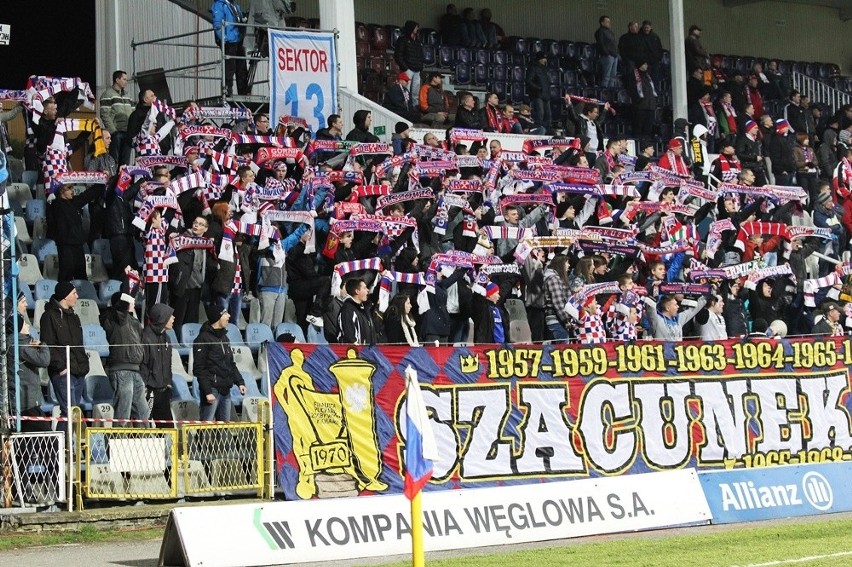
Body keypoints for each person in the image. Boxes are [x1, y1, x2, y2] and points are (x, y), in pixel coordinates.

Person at [39, 281, 89, 424]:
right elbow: (48, 345)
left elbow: (79, 345)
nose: (77, 296)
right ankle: (61, 446)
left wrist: (84, 365)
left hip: (78, 371)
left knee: (73, 413)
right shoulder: (48, 316)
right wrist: (61, 368)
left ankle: (66, 445)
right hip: (63, 372)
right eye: (74, 293)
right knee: (69, 411)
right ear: (65, 296)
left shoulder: (74, 317)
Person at [100, 291, 147, 425]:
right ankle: (117, 442)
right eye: (130, 302)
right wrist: (130, 284)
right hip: (121, 370)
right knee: (123, 411)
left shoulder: (134, 322)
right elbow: (121, 308)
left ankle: (145, 442)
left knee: (143, 411)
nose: (133, 304)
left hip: (135, 370)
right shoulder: (115, 319)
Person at [194, 305, 245, 421]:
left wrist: (240, 382)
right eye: (225, 314)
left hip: (225, 389)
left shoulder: (224, 338)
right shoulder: (202, 339)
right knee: (206, 426)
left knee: (224, 428)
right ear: (218, 317)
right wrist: (207, 392)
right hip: (212, 389)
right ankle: (203, 440)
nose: (229, 316)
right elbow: (199, 369)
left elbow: (231, 364)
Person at [48, 183, 105, 281]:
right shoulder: (55, 204)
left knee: (81, 276)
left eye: (72, 187)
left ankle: (83, 295)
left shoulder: (74, 202)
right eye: (69, 188)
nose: (72, 190)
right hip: (65, 246)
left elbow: (88, 195)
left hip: (78, 245)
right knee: (65, 276)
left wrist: (101, 182)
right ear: (61, 190)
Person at [6, 310, 51, 432]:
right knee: (45, 436)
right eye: (25, 324)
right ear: (18, 328)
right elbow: (44, 360)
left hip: (29, 400)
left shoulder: (22, 342)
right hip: (25, 402)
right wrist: (42, 345)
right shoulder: (20, 346)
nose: (28, 326)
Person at [168, 216, 215, 329]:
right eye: (195, 222)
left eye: (200, 224)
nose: (196, 225)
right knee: (177, 321)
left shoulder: (206, 244)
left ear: (205, 229)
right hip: (182, 287)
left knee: (192, 322)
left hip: (197, 288)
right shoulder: (182, 239)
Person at [141, 303, 175, 423]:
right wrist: (146, 387)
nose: (173, 318)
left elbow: (168, 364)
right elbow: (142, 365)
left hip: (164, 391)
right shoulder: (146, 338)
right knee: (146, 427)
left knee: (168, 430)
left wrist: (169, 384)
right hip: (150, 392)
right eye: (170, 316)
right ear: (162, 318)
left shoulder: (167, 338)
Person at [212, 0, 249, 96]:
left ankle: (243, 92)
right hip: (229, 41)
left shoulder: (235, 5)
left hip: (238, 39)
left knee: (241, 67)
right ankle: (228, 91)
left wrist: (244, 19)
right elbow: (217, 23)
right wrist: (223, 38)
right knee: (230, 67)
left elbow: (239, 19)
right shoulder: (220, 5)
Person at [99, 70, 133, 165]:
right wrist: (114, 132)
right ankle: (113, 179)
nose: (126, 81)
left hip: (127, 133)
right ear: (117, 80)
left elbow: (133, 112)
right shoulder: (107, 95)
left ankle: (124, 179)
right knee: (114, 161)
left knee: (125, 162)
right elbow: (104, 114)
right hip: (116, 133)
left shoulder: (127, 95)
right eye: (124, 79)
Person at [337, 278, 377, 345]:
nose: (368, 290)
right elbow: (349, 337)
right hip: (355, 353)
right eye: (364, 288)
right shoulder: (347, 310)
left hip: (368, 353)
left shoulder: (365, 309)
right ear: (357, 291)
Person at [394, 20, 424, 102]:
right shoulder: (402, 40)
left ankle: (414, 109)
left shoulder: (417, 41)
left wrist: (420, 67)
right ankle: (405, 107)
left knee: (415, 93)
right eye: (416, 27)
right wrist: (405, 68)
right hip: (408, 70)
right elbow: (398, 55)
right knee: (405, 91)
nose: (417, 29)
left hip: (417, 70)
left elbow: (421, 55)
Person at [525, 52, 551, 131]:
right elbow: (529, 81)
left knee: (548, 115)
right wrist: (538, 88)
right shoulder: (533, 67)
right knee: (540, 113)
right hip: (537, 94)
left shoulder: (545, 69)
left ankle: (547, 131)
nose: (545, 60)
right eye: (543, 58)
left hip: (546, 94)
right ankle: (538, 130)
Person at [595, 16, 618, 88]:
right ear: (602, 23)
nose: (609, 23)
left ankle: (610, 92)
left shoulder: (610, 32)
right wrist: (606, 53)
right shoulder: (600, 32)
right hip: (608, 56)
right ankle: (604, 92)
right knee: (606, 76)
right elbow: (601, 43)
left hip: (614, 55)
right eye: (607, 21)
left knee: (613, 76)